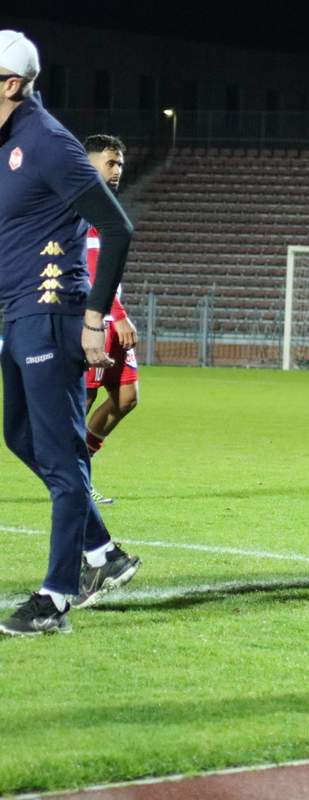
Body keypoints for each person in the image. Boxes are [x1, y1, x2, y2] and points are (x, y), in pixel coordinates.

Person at [0, 31, 141, 635]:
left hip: (52, 313)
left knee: (61, 460)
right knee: (20, 437)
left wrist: (93, 317)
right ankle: (102, 552)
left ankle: (56, 599)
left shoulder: (49, 142)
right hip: (15, 313)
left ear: (10, 85)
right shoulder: (8, 142)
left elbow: (118, 226)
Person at [82, 134, 138, 505]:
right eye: (110, 162)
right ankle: (74, 482)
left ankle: (80, 464)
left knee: (126, 398)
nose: (117, 170)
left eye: (120, 163)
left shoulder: (108, 210)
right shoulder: (80, 209)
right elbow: (88, 271)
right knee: (80, 403)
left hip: (113, 317)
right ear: (89, 164)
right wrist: (115, 315)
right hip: (93, 322)